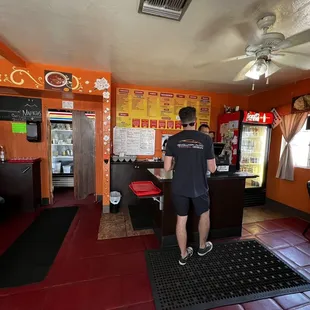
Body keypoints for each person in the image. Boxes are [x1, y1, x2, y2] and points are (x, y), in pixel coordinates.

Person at [164, 107, 216, 265]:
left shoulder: (172, 140)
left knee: (181, 219)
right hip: (200, 187)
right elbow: (212, 168)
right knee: (204, 214)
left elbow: (167, 167)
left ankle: (183, 254)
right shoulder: (206, 139)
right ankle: (201, 247)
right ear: (195, 120)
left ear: (181, 122)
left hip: (179, 188)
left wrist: (175, 163)